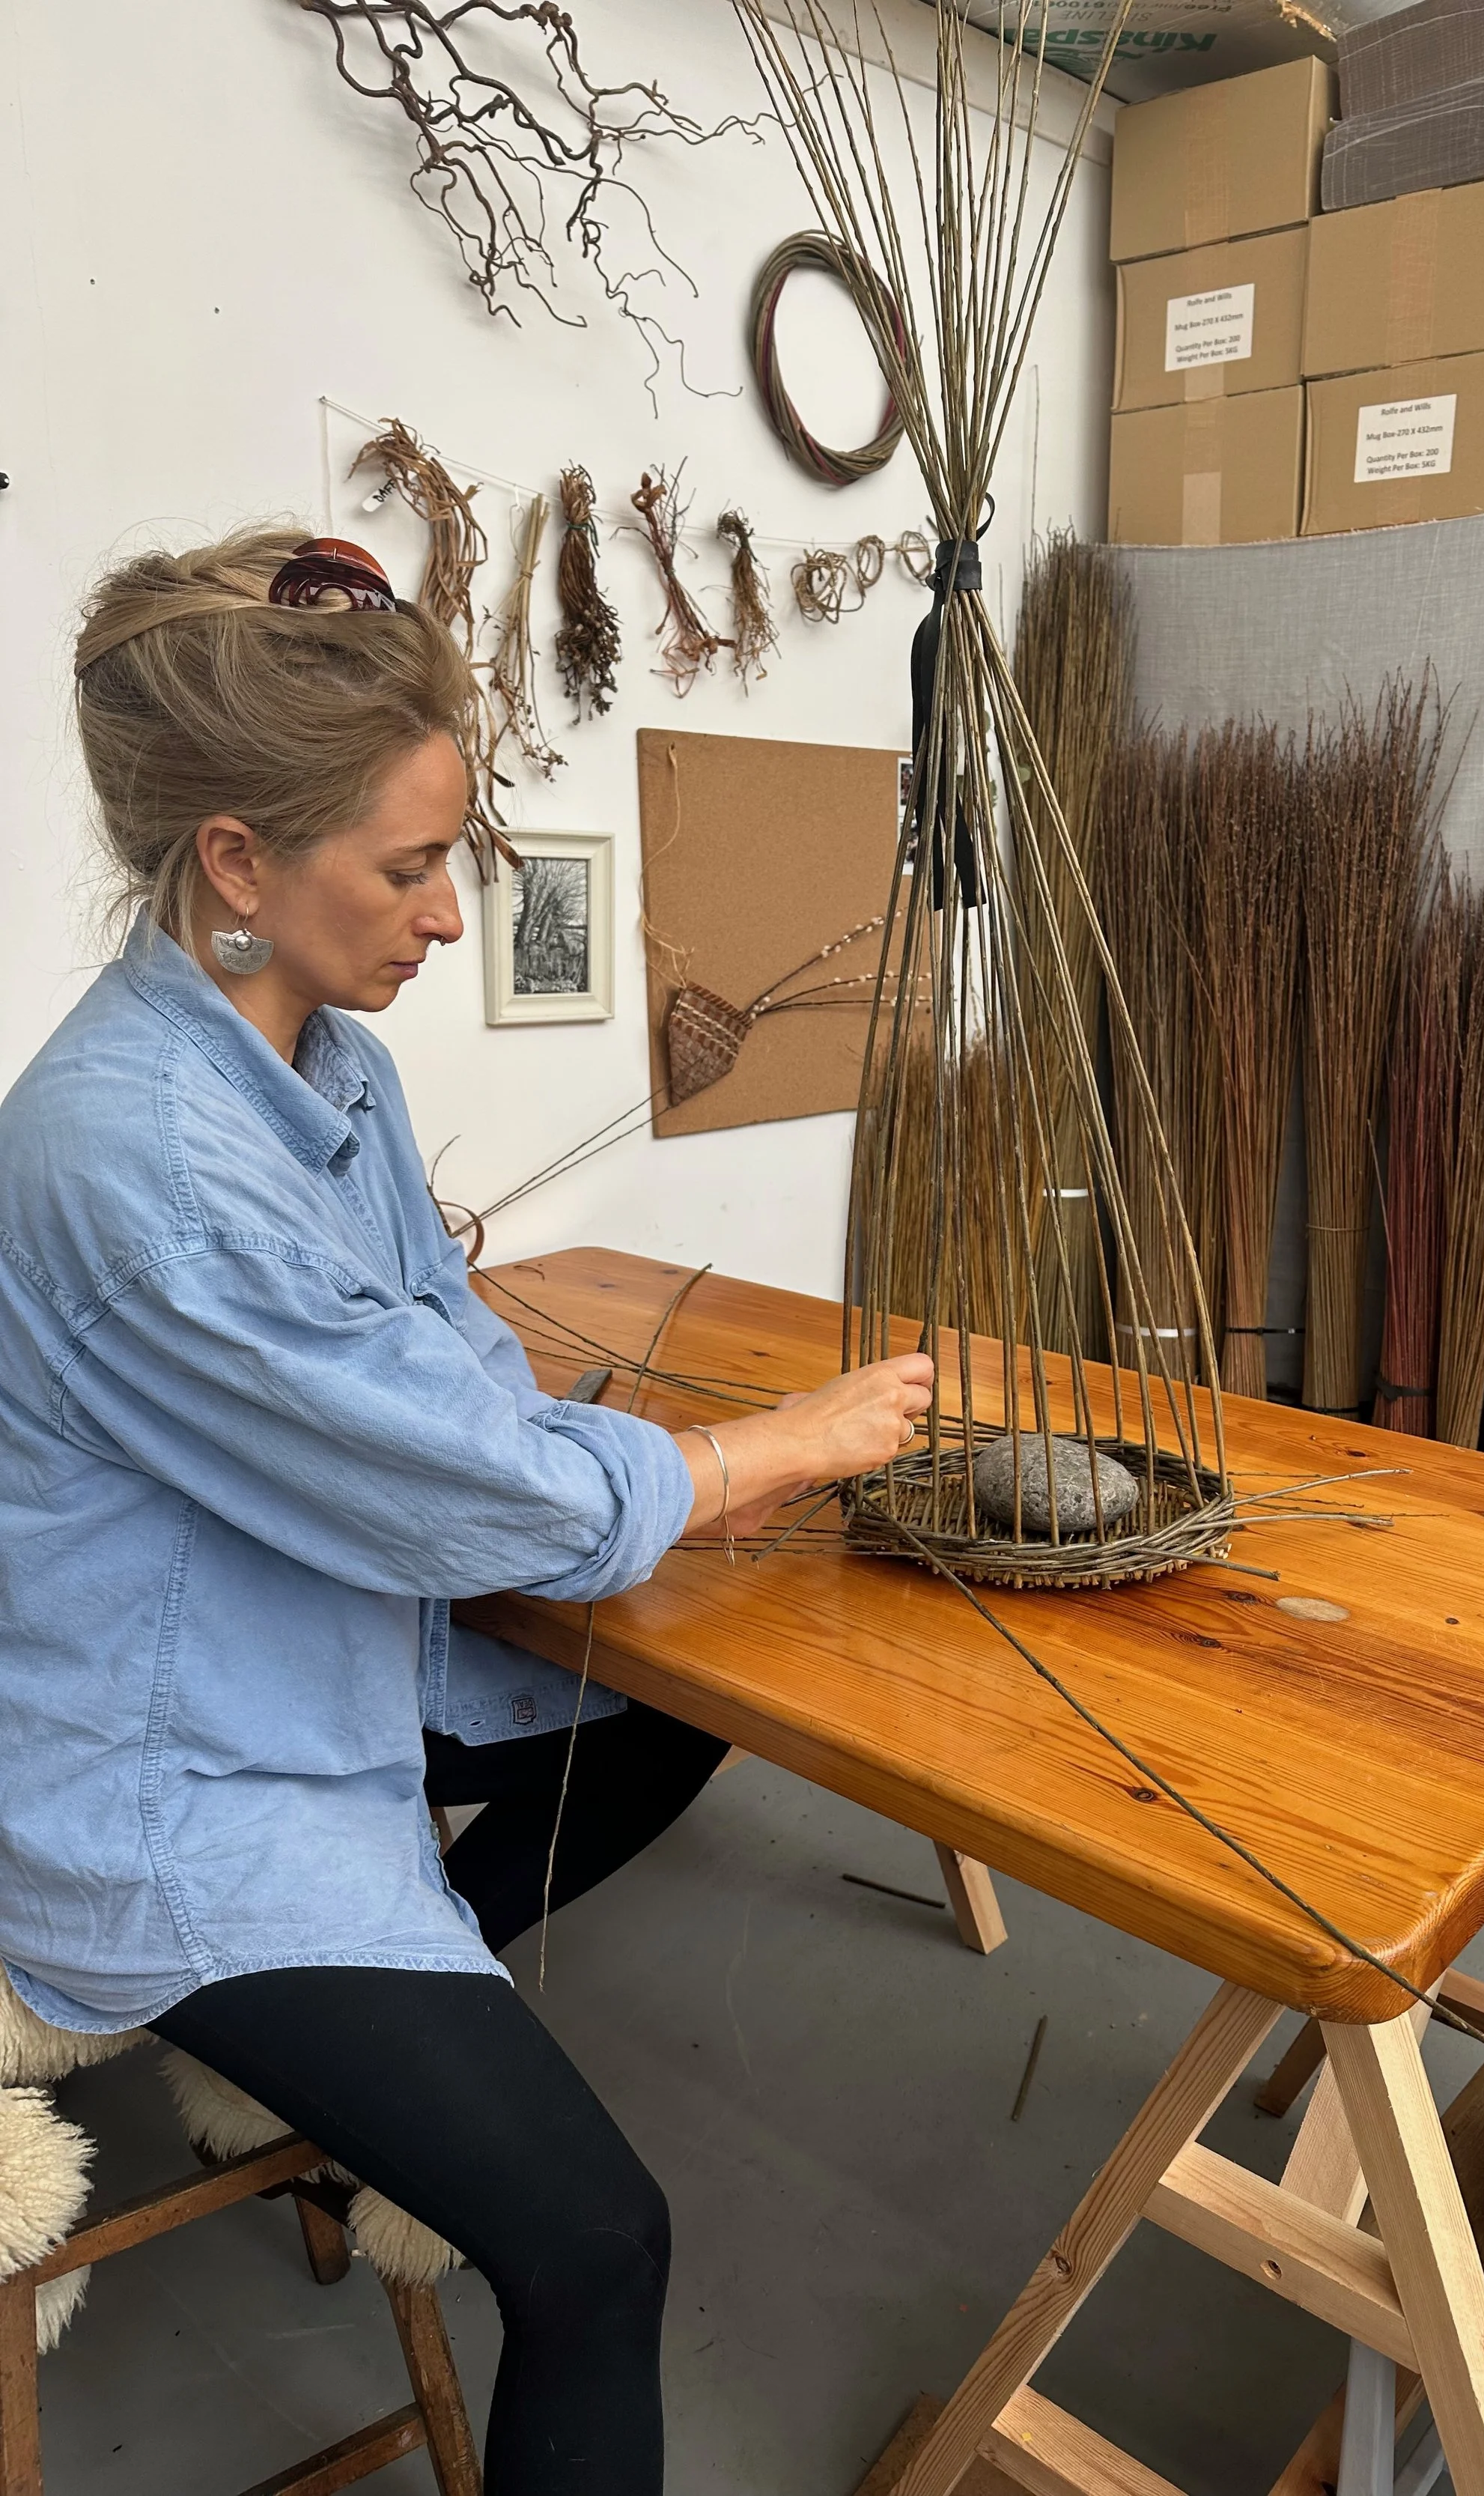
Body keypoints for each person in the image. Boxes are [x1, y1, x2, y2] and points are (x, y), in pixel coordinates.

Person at [0, 529, 933, 2493]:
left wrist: (596, 1456)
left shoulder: (317, 1058)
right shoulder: (139, 1157)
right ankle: (351, 2033)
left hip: (309, 1665)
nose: (448, 913)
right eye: (411, 867)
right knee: (597, 2244)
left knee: (676, 1701)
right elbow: (475, 1485)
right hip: (171, 1781)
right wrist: (763, 1451)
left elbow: (447, 1366)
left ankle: (385, 2040)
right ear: (239, 861)